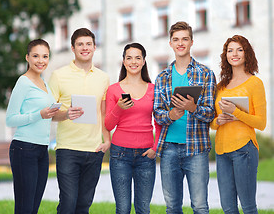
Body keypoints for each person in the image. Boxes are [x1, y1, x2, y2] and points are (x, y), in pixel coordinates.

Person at [153, 21, 216, 214]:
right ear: (170, 43)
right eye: (176, 39)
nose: (180, 43)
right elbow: (157, 113)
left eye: (185, 39)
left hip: (196, 149)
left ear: (191, 42)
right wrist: (170, 115)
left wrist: (193, 108)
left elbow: (211, 113)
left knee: (200, 206)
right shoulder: (162, 77)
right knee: (172, 207)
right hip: (169, 149)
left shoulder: (205, 74)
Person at [48, 28, 110, 214]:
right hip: (68, 149)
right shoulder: (58, 75)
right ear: (73, 48)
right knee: (68, 202)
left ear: (94, 47)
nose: (85, 48)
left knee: (84, 204)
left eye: (88, 44)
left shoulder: (103, 78)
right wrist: (66, 114)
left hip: (94, 150)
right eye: (80, 44)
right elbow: (50, 113)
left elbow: (104, 112)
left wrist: (107, 140)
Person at [210, 35, 266, 213]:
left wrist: (236, 112)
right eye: (230, 50)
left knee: (248, 206)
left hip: (244, 150)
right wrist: (218, 121)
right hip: (221, 152)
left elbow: (261, 123)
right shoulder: (220, 87)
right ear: (225, 55)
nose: (234, 54)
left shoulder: (255, 83)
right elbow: (211, 123)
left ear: (247, 53)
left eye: (239, 50)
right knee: (228, 208)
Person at [105, 43, 161, 214]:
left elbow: (159, 123)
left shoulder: (153, 89)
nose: (133, 62)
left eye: (138, 58)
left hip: (146, 155)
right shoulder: (113, 90)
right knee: (122, 209)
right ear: (123, 61)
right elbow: (108, 125)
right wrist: (119, 108)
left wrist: (155, 148)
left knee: (143, 209)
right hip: (120, 154)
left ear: (144, 61)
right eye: (129, 58)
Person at [6, 39, 59, 214]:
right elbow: (10, 119)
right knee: (24, 208)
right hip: (24, 149)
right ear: (27, 57)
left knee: (33, 207)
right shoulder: (23, 82)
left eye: (45, 56)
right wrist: (39, 115)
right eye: (36, 56)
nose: (40, 60)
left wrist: (68, 113)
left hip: (42, 150)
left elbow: (49, 113)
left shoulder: (45, 84)